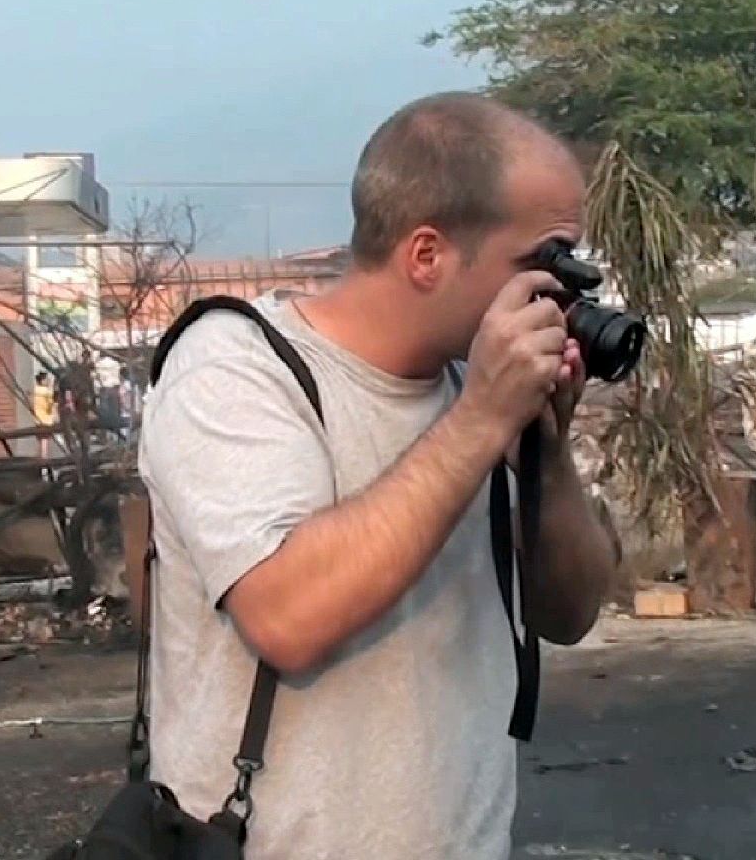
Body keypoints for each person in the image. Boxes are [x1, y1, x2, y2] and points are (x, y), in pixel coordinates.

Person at [138, 92, 621, 859]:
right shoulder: (235, 367)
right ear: (426, 255)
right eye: (543, 264)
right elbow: (288, 619)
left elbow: (569, 613)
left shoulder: (478, 387)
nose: (563, 296)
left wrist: (546, 450)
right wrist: (479, 424)